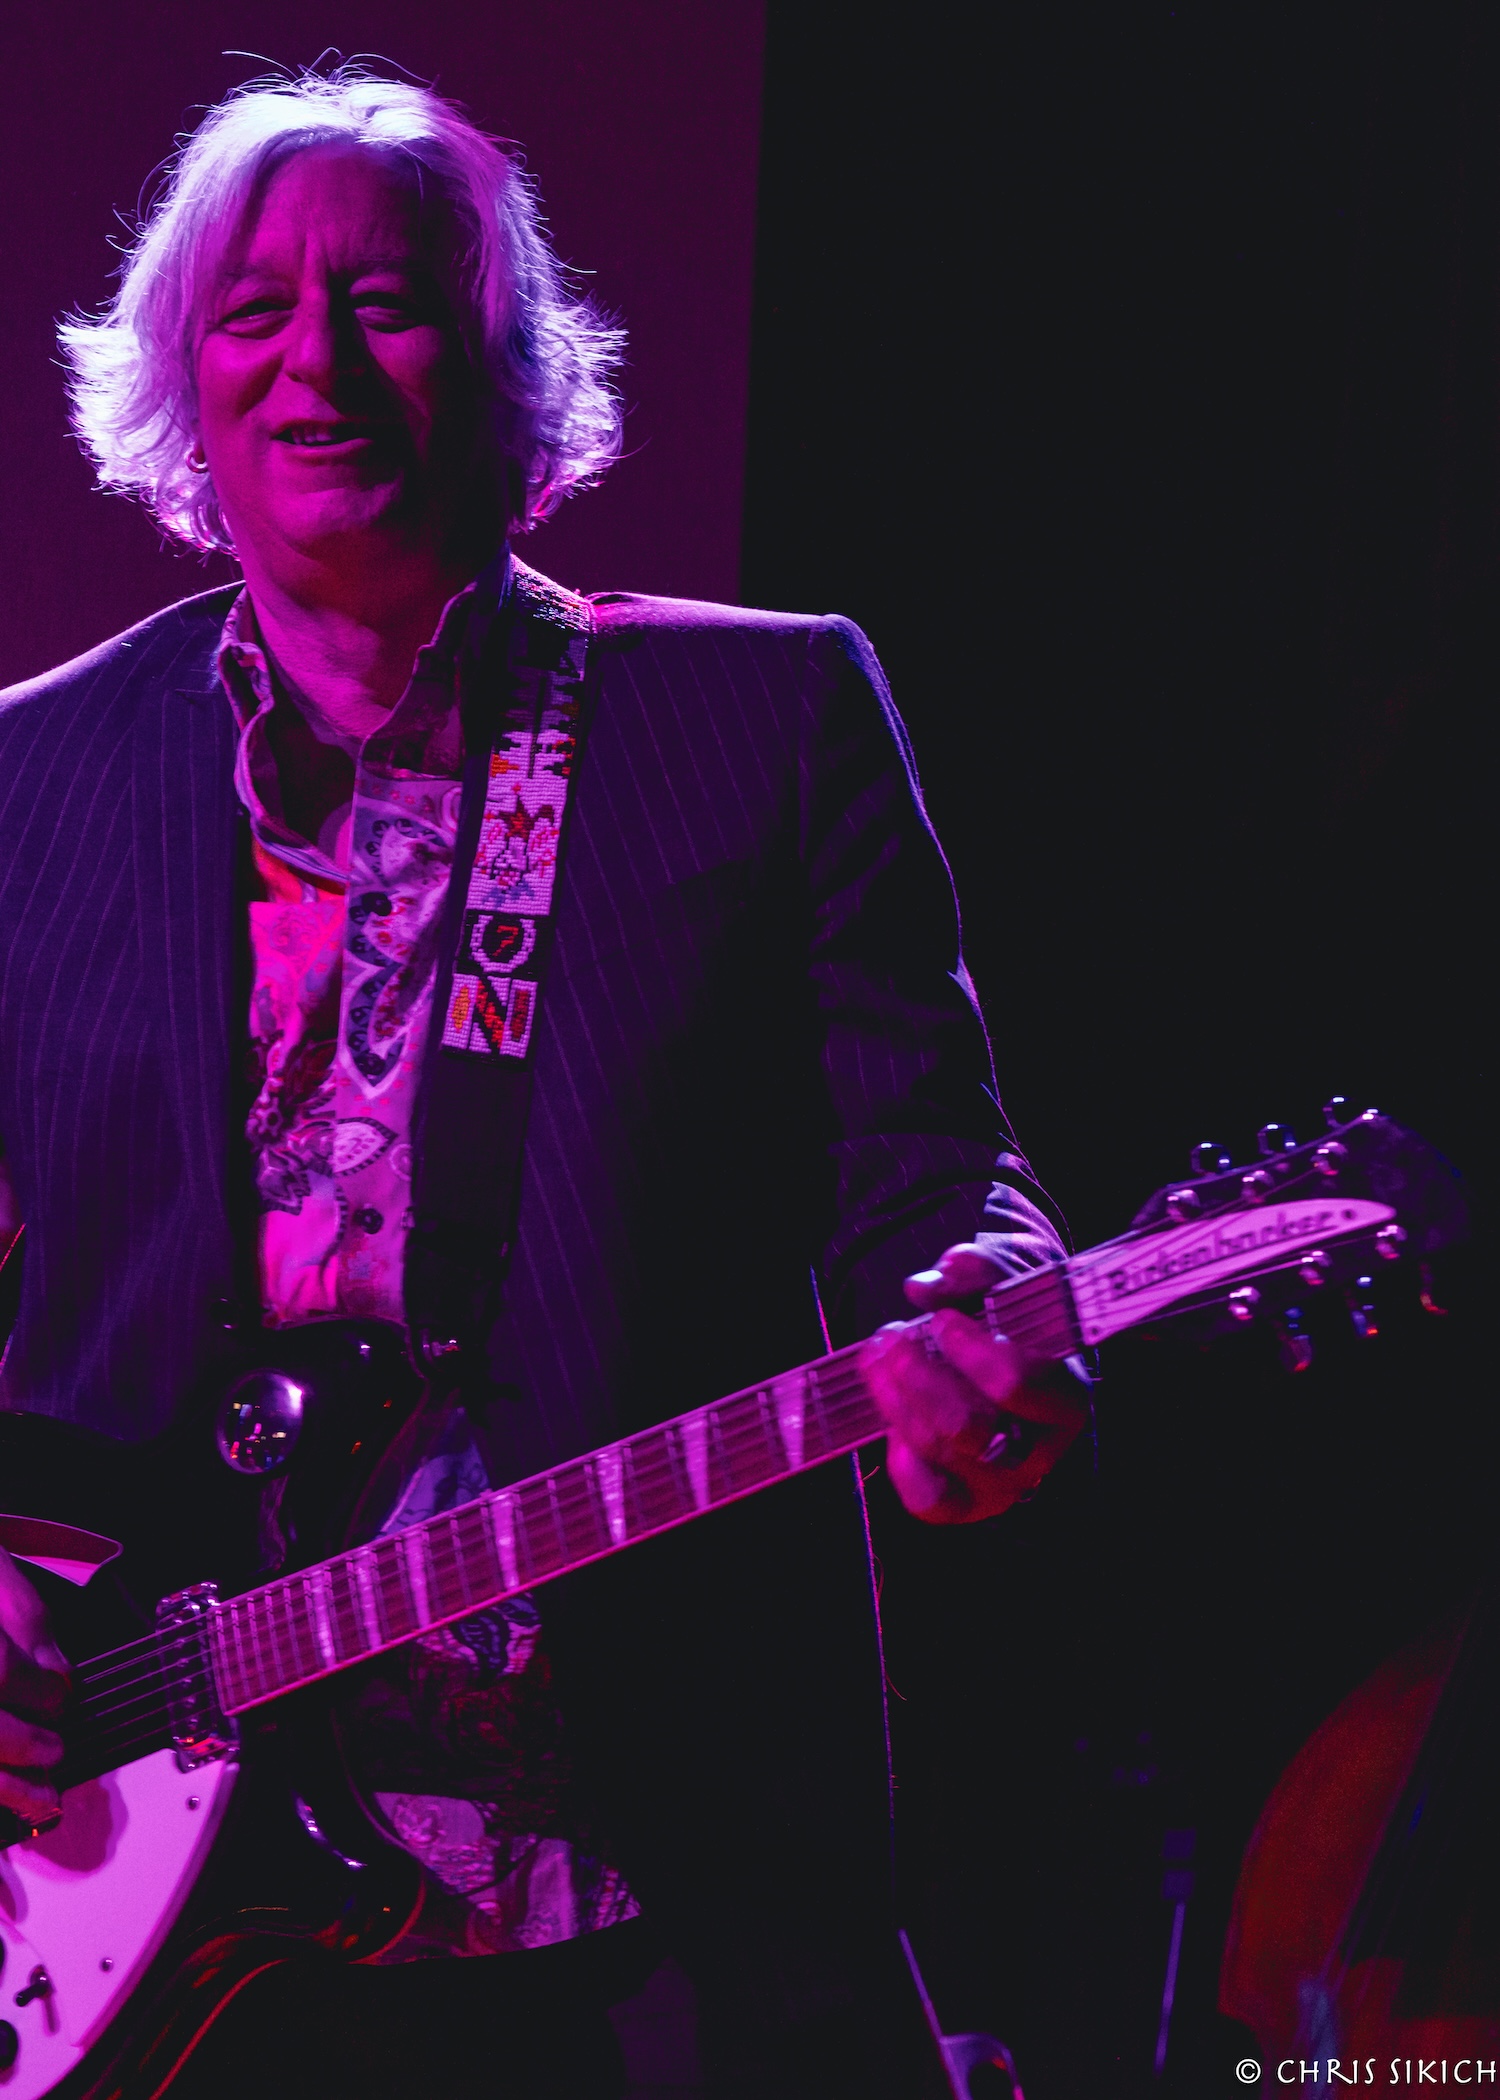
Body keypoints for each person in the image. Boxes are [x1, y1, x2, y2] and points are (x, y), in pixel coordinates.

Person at [0, 70, 1087, 2099]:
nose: (316, 363)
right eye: (253, 311)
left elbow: (933, 1168)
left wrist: (985, 1308)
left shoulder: (758, 711)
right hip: (135, 1895)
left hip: (642, 1862)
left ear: (506, 371)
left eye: (389, 303)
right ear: (183, 384)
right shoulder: (30, 775)